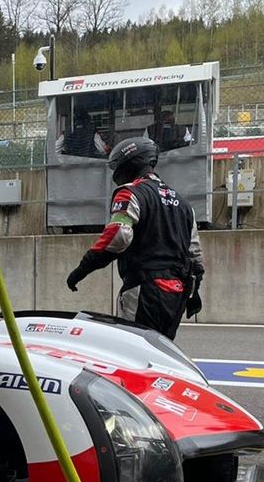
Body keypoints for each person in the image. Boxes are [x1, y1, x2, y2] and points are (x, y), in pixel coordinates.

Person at [65, 137, 204, 339]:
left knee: (132, 349)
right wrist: (194, 290)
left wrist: (81, 269)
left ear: (129, 163)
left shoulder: (130, 194)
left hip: (145, 288)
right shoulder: (184, 205)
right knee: (162, 351)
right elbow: (195, 256)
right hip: (177, 292)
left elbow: (117, 237)